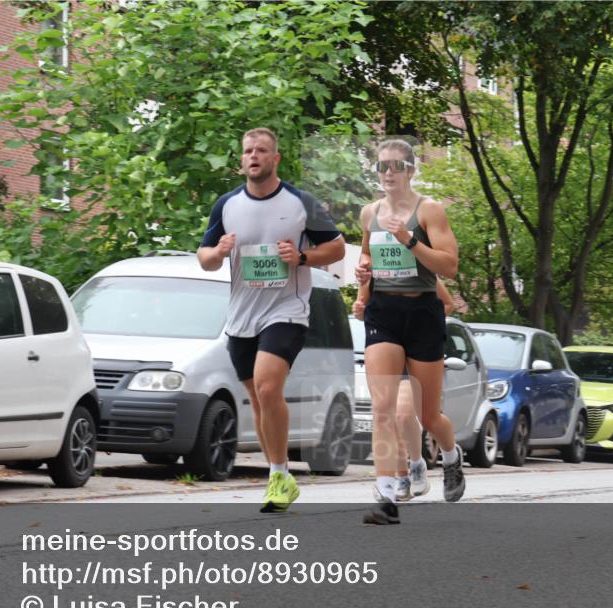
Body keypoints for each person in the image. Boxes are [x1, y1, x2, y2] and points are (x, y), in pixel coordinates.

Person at [197, 128, 345, 512]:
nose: (254, 156)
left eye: (261, 150)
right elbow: (204, 258)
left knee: (266, 387)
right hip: (242, 316)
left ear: (275, 158)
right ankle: (282, 475)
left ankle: (278, 475)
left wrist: (302, 258)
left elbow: (337, 246)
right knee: (259, 400)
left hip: (287, 310)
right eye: (248, 151)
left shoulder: (300, 203)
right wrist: (219, 250)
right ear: (241, 159)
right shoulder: (227, 205)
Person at [355, 139, 463, 525]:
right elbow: (367, 255)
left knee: (427, 413)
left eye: (396, 166)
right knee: (383, 408)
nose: (387, 173)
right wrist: (362, 284)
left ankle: (450, 457)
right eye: (382, 166)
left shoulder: (428, 210)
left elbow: (449, 266)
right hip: (384, 311)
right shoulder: (369, 213)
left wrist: (410, 240)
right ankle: (386, 497)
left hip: (422, 311)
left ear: (411, 170)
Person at [353, 280, 456, 501]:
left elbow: (448, 304)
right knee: (386, 414)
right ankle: (398, 479)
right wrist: (360, 310)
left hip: (418, 348)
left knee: (416, 416)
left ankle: (443, 457)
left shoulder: (420, 273)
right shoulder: (373, 274)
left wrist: (425, 320)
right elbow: (362, 308)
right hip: (388, 346)